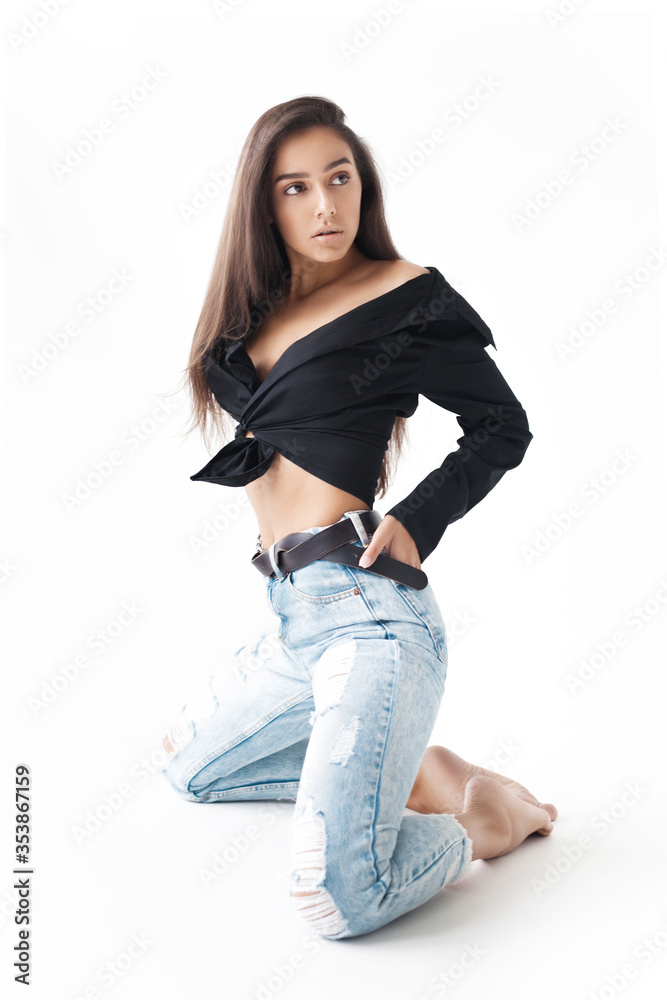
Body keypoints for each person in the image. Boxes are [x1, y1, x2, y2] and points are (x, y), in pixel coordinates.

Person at [160, 95, 558, 940]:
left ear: (362, 184)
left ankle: (486, 821)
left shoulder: (404, 296)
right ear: (263, 205)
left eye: (338, 179)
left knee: (335, 897)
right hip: (292, 617)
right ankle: (411, 769)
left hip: (371, 617)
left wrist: (418, 518)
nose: (325, 206)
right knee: (190, 772)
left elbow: (501, 426)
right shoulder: (259, 307)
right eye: (295, 188)